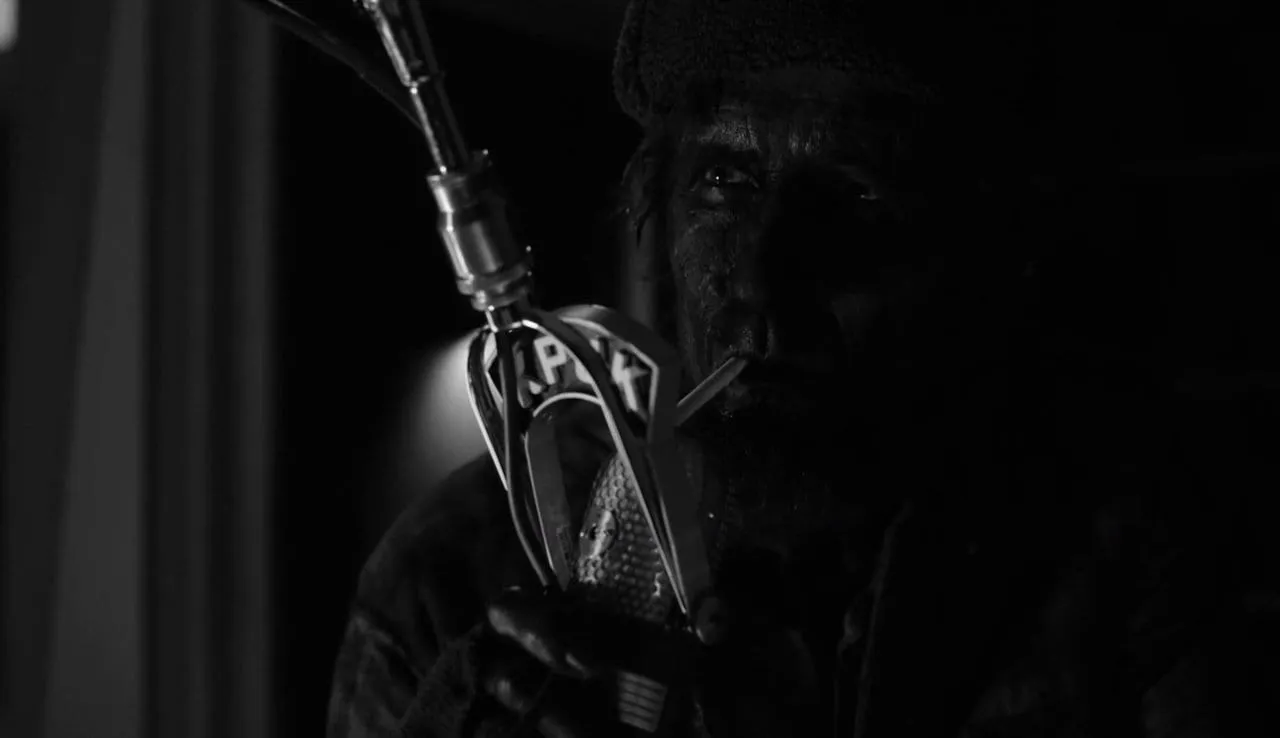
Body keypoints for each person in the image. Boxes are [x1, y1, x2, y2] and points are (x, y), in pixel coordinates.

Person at [327, 1, 1279, 736]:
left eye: (858, 196)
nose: (766, 284)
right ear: (653, 211)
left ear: (991, 253)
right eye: (724, 184)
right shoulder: (454, 579)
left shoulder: (1113, 553)